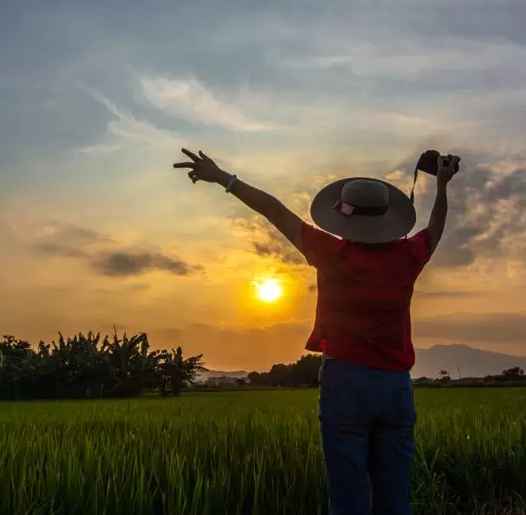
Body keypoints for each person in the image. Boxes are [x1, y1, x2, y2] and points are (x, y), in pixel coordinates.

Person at [173, 148, 459, 515]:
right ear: (388, 219)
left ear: (344, 218)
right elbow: (435, 228)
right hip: (395, 388)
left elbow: (273, 209)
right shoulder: (409, 256)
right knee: (395, 496)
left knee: (347, 495)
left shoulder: (330, 252)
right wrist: (443, 185)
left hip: (345, 383)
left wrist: (223, 177)